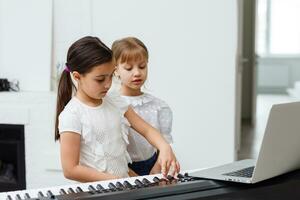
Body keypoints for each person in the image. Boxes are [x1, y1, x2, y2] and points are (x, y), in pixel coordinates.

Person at [54, 36, 179, 182]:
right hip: (101, 190)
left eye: (111, 76)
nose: (108, 84)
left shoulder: (115, 100)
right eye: (100, 79)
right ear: (77, 76)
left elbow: (147, 130)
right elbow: (71, 170)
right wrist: (116, 181)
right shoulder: (72, 115)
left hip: (123, 185)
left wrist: (164, 147)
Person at [112, 37, 174, 176]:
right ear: (115, 70)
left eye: (142, 66)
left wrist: (156, 170)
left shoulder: (159, 106)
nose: (137, 73)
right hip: (124, 169)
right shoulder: (113, 104)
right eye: (128, 68)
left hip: (155, 166)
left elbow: (164, 145)